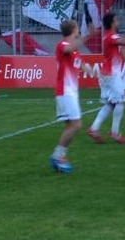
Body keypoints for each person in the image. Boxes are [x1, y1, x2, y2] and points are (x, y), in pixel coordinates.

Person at [86, 13, 125, 144]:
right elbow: (123, 42)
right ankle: (115, 132)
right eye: (116, 20)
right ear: (112, 23)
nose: (118, 22)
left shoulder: (108, 35)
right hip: (111, 74)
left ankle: (94, 128)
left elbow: (121, 46)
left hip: (107, 73)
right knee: (120, 101)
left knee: (111, 102)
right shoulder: (112, 36)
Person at [49, 19, 87, 174]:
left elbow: (80, 64)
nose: (79, 31)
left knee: (70, 126)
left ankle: (60, 157)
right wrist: (86, 38)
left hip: (71, 91)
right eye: (77, 28)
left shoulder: (74, 50)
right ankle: (57, 155)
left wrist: (90, 69)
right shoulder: (63, 45)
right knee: (76, 125)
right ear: (73, 30)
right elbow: (67, 50)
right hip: (65, 91)